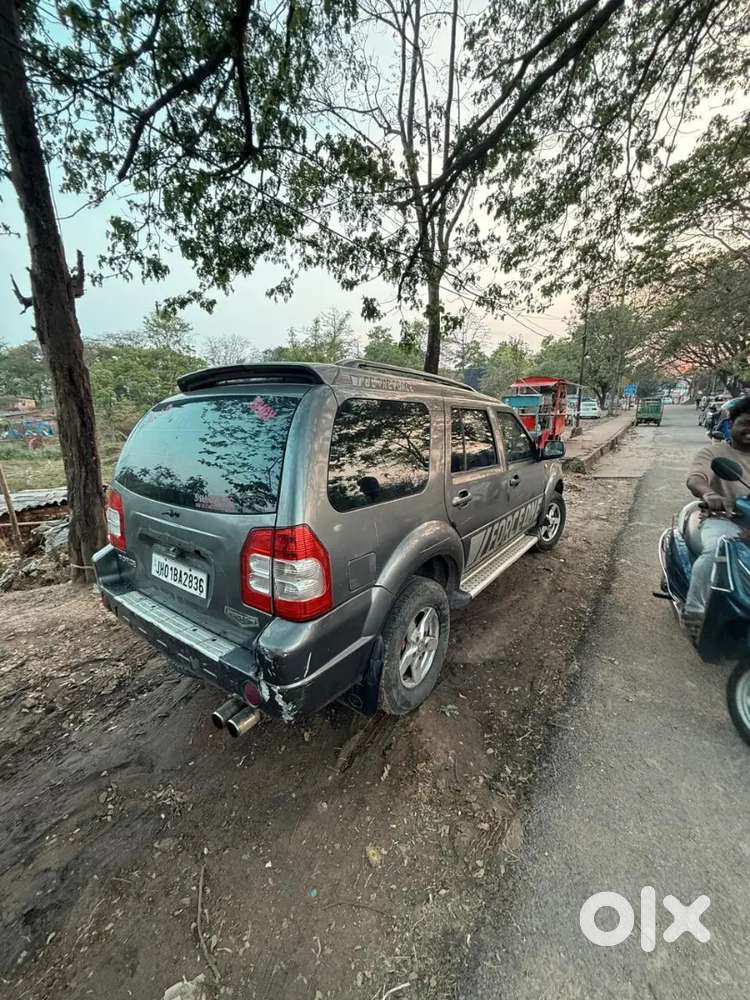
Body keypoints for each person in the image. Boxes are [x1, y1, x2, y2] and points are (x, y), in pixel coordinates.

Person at [684, 395, 750, 623]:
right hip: (724, 519)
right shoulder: (713, 453)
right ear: (731, 424)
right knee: (718, 550)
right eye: (746, 423)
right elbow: (696, 478)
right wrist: (710, 494)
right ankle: (695, 612)